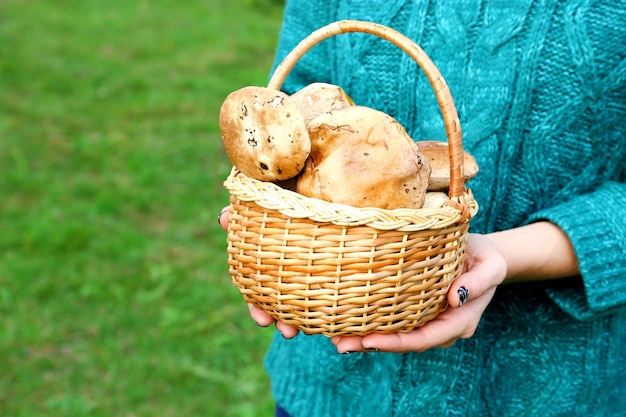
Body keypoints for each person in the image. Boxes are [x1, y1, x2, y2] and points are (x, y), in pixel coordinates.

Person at [218, 1, 626, 415]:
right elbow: (286, 102)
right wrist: (271, 229)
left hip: (543, 388)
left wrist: (503, 255)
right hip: (334, 377)